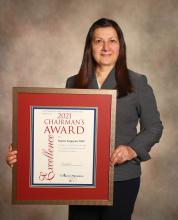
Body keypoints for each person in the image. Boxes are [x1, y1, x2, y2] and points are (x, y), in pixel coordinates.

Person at [6, 18, 163, 220]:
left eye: (112, 41)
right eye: (99, 41)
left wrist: (131, 150)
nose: (106, 47)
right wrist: (23, 154)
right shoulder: (73, 82)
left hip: (122, 178)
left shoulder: (137, 82)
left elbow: (154, 127)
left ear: (120, 46)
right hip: (79, 179)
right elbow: (56, 130)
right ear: (90, 46)